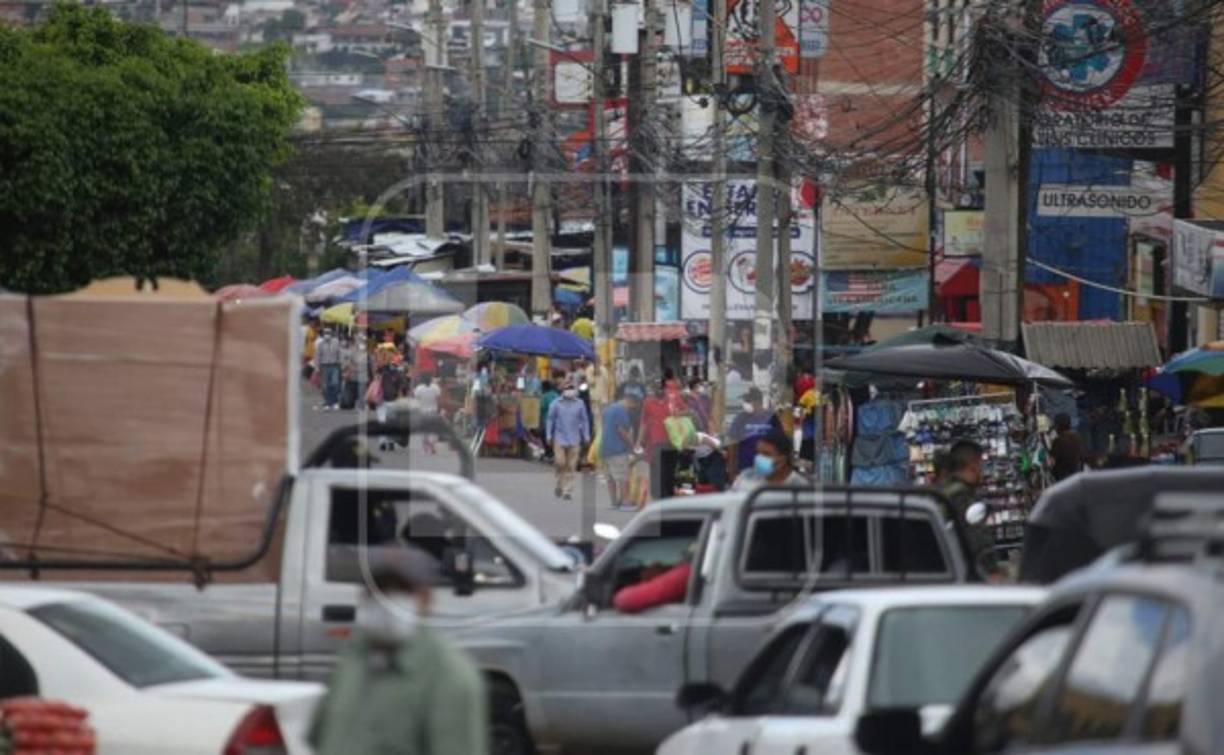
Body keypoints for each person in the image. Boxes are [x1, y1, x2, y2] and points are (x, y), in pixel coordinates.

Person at [309, 548, 488, 755]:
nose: (386, 602)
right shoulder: (353, 659)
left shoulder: (450, 677)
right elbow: (320, 735)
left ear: (426, 599)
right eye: (378, 590)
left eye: (401, 591)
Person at [936, 440, 994, 572]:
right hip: (962, 570)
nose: (982, 471)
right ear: (973, 464)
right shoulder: (962, 495)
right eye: (981, 465)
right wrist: (991, 569)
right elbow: (978, 536)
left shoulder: (944, 491)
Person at [613, 544, 694, 614]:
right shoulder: (692, 573)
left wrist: (651, 580)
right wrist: (664, 571)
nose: (681, 560)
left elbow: (625, 600)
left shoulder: (687, 573)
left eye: (685, 556)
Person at [546, 380, 590, 500]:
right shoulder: (555, 403)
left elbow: (584, 420)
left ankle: (567, 491)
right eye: (567, 388)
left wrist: (586, 436)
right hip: (559, 438)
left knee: (571, 466)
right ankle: (559, 484)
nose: (570, 390)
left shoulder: (580, 404)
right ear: (563, 390)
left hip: (575, 438)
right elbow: (550, 420)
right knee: (560, 463)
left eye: (572, 388)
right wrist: (548, 435)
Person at [727, 387, 782, 482]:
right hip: (745, 468)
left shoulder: (772, 417)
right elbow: (732, 444)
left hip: (767, 469)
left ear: (756, 401)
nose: (744, 404)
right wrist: (731, 470)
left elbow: (780, 443)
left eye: (747, 401)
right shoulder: (741, 418)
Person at [731, 429, 809, 491]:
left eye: (766, 454)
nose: (759, 458)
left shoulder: (799, 486)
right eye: (758, 452)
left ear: (783, 459)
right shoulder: (745, 479)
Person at [601, 393, 640, 509]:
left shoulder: (608, 409)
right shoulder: (621, 410)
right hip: (617, 448)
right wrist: (633, 445)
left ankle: (614, 502)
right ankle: (625, 502)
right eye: (632, 407)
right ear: (630, 401)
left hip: (605, 447)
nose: (631, 410)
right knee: (623, 477)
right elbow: (621, 430)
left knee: (610, 478)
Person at [1050, 412, 1084, 481]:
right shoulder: (1077, 437)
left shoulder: (1059, 440)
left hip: (1063, 474)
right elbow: (1082, 456)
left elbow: (1053, 459)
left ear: (1058, 426)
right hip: (1075, 472)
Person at [413, 374, 442, 454]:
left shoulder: (419, 388)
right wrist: (439, 409)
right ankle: (432, 446)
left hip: (422, 411)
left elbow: (416, 399)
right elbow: (438, 399)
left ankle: (425, 447)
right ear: (431, 380)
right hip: (433, 411)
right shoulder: (435, 387)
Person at [317, 329, 343, 410]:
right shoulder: (320, 344)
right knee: (325, 386)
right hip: (324, 366)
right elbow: (318, 356)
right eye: (325, 333)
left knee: (335, 383)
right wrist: (317, 367)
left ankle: (335, 401)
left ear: (331, 334)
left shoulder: (336, 342)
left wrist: (341, 363)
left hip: (334, 366)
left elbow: (339, 353)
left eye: (328, 333)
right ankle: (327, 402)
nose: (327, 335)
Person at [538, 380, 560, 461]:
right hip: (558, 420)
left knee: (544, 436)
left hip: (547, 420)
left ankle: (549, 453)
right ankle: (555, 453)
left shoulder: (545, 396)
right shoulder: (557, 394)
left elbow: (541, 408)